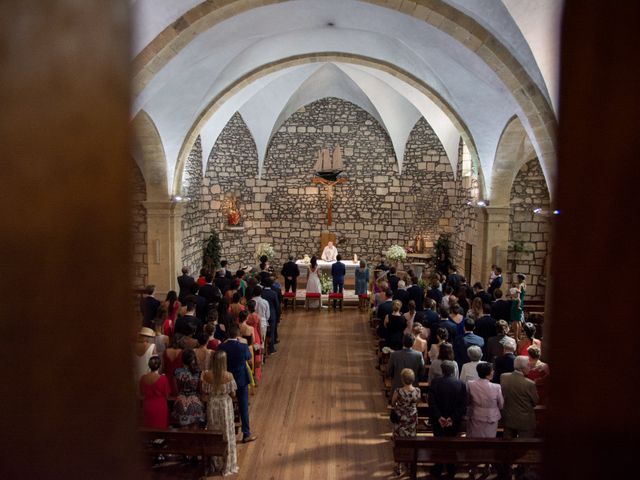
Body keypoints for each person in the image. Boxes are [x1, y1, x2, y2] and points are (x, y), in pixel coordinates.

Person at [202, 351, 238, 476]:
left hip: (212, 404)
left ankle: (215, 461)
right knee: (226, 431)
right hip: (224, 405)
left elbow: (205, 392)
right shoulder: (229, 376)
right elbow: (233, 394)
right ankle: (227, 462)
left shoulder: (207, 375)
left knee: (214, 430)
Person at [428, 360, 467, 478]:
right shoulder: (460, 384)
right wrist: (452, 419)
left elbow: (431, 402)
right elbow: (462, 405)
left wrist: (439, 417)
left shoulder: (435, 382)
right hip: (453, 421)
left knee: (439, 443)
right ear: (454, 370)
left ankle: (438, 467)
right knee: (451, 443)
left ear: (442, 370)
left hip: (438, 420)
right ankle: (451, 468)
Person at [219, 324, 256, 443]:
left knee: (226, 406)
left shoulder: (221, 346)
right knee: (243, 407)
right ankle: (246, 433)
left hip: (226, 380)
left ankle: (226, 431)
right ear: (238, 335)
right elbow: (249, 357)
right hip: (241, 380)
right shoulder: (243, 346)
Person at [391, 368, 421, 477]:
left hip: (400, 419)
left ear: (402, 380)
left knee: (399, 442)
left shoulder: (398, 391)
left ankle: (398, 466)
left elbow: (393, 402)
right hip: (412, 418)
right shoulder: (417, 391)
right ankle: (409, 465)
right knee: (411, 441)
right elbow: (417, 402)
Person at [500, 355, 539, 438]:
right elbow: (535, 402)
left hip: (508, 418)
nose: (530, 368)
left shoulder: (503, 377)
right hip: (525, 421)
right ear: (523, 367)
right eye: (528, 365)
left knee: (507, 448)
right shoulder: (529, 384)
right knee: (524, 447)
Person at [466, 362, 504, 437]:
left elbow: (467, 401)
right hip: (491, 417)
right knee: (489, 441)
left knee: (474, 440)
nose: (493, 372)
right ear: (488, 373)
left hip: (475, 415)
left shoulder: (470, 384)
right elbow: (501, 404)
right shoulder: (496, 387)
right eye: (492, 370)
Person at [171, 348, 204, 427]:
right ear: (193, 360)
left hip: (181, 402)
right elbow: (200, 390)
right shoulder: (198, 372)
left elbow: (175, 390)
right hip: (195, 402)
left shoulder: (176, 371)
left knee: (183, 430)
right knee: (195, 429)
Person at [139, 355, 170, 429]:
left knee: (148, 428)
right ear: (159, 366)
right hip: (160, 406)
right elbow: (167, 394)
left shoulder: (143, 378)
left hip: (148, 405)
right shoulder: (163, 378)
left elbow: (141, 392)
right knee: (160, 429)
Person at [261, 277, 280, 354]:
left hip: (262, 314)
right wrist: (278, 315)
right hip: (272, 314)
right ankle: (271, 348)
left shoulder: (261, 293)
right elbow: (277, 306)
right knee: (271, 331)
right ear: (272, 284)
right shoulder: (273, 293)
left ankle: (263, 348)